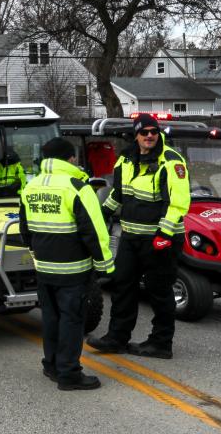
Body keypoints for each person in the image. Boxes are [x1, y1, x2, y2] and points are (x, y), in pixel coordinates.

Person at [88, 113, 190, 360]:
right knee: (122, 287)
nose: (150, 136)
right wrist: (101, 214)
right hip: (131, 237)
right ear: (136, 135)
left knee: (159, 292)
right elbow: (118, 194)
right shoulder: (125, 159)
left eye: (154, 132)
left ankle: (161, 343)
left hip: (160, 240)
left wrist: (164, 234)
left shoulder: (171, 162)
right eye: (144, 132)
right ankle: (116, 338)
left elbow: (179, 202)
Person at [20, 137, 115, 391]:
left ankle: (50, 365)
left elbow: (25, 229)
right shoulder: (77, 186)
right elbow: (93, 230)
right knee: (72, 321)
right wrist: (105, 264)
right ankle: (69, 374)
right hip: (73, 271)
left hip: (44, 269)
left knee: (50, 319)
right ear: (70, 158)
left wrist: (36, 252)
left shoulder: (32, 186)